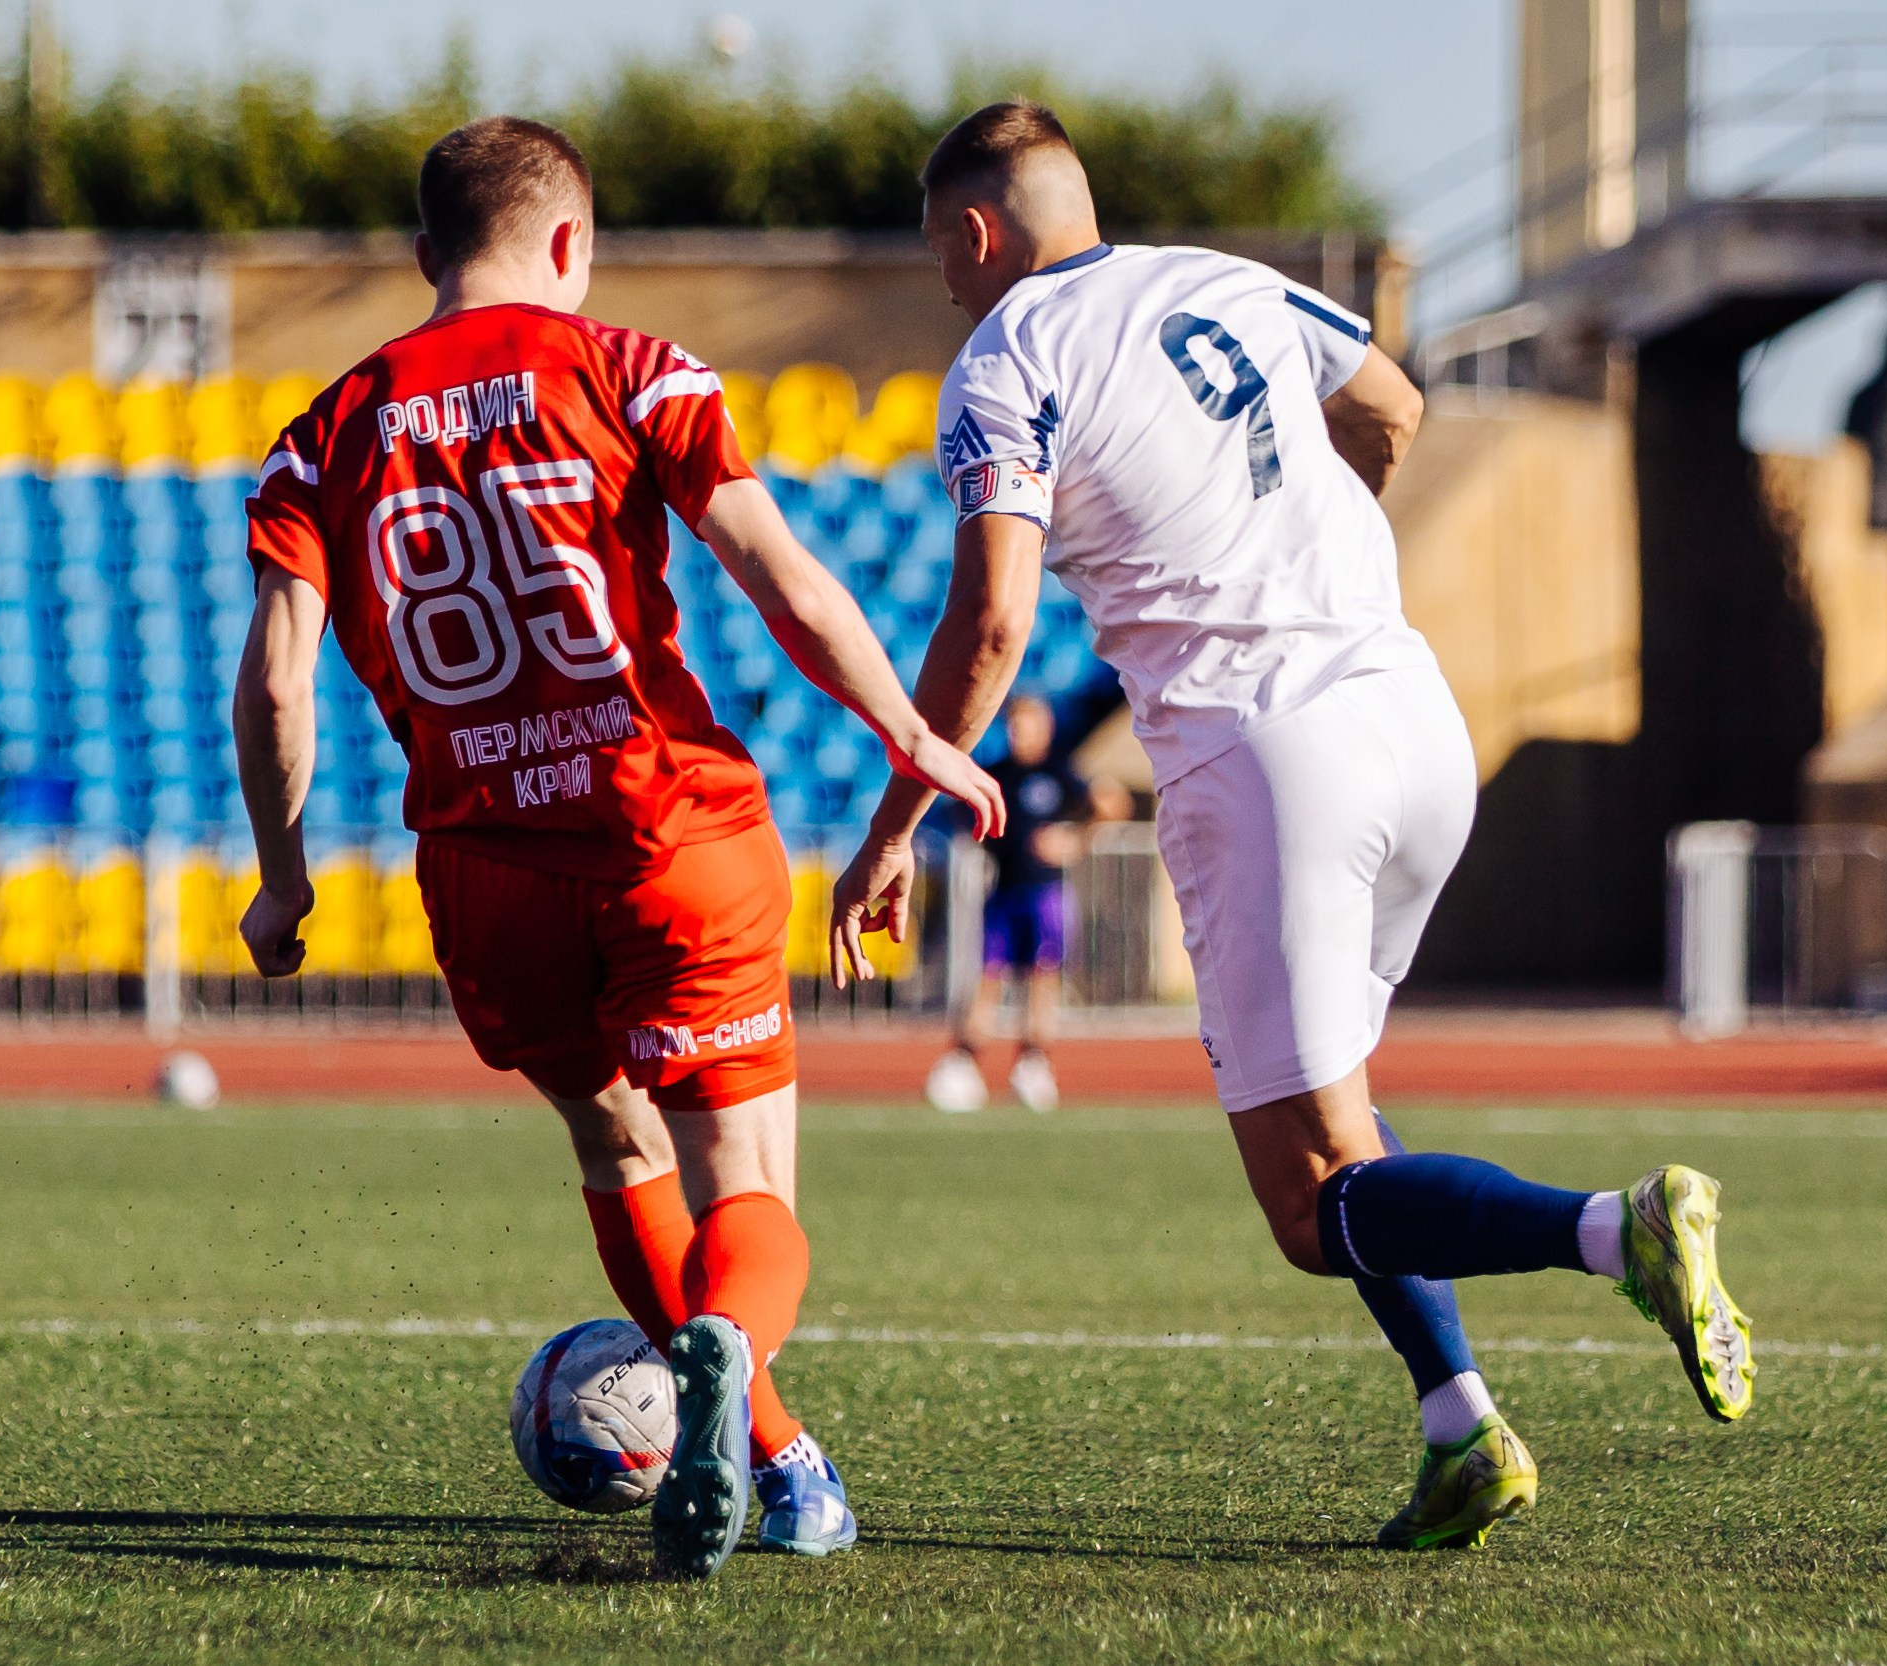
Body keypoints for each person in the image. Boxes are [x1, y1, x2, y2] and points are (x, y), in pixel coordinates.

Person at [829, 102, 1753, 1552]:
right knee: (1346, 1119)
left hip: (1264, 758)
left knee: (1313, 1199)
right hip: (1407, 710)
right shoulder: (1225, 277)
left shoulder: (1004, 358)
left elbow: (993, 617)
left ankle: (1612, 1226)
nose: (945, 277)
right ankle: (1459, 1429)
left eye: (941, 250)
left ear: (973, 232)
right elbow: (1390, 405)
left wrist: (898, 811)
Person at [231, 116, 1003, 1580]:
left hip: (482, 867)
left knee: (611, 1143)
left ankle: (787, 1466)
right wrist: (912, 735)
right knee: (747, 1188)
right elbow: (778, 576)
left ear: (422, 257)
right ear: (570, 245)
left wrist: (281, 881)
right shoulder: (630, 367)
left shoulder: (319, 431)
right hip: (667, 830)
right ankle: (727, 1351)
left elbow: (274, 683)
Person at [928, 692, 1087, 1113]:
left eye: (1030, 724)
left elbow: (1108, 804)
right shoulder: (996, 774)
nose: (1022, 734)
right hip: (1004, 891)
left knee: (1043, 976)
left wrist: (1075, 841)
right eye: (1015, 725)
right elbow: (957, 814)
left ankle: (1033, 1062)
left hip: (1045, 893)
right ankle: (965, 1060)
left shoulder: (1059, 773)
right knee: (989, 977)